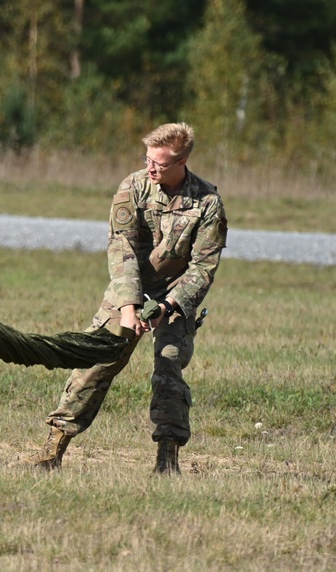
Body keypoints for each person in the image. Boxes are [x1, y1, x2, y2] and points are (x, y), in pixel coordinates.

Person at [27, 122, 228, 474]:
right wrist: (129, 307)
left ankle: (167, 461)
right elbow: (121, 249)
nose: (150, 168)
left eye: (159, 164)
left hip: (176, 299)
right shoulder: (132, 187)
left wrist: (166, 308)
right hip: (128, 290)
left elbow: (202, 268)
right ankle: (52, 450)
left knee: (169, 369)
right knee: (96, 363)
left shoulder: (208, 203)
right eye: (147, 158)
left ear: (181, 162)